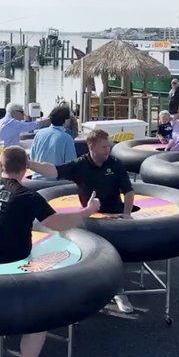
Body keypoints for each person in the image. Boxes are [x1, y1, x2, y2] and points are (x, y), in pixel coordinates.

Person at [0, 146, 100, 357]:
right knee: (37, 320)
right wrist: (88, 210)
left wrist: (1, 161)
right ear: (25, 170)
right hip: (15, 270)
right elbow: (57, 223)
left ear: (2, 165)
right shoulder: (27, 196)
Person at [32, 129, 136, 313]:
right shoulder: (80, 165)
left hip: (114, 216)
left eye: (108, 146)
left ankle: (118, 291)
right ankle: (84, 291)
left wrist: (127, 214)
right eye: (103, 147)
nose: (108, 149)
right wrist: (27, 163)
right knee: (86, 255)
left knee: (115, 256)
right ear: (91, 147)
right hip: (90, 218)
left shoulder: (115, 164)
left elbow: (128, 191)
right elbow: (53, 170)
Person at [30, 105, 77, 180]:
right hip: (56, 182)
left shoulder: (39, 134)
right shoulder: (67, 138)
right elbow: (71, 166)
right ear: (66, 120)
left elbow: (32, 157)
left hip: (36, 179)